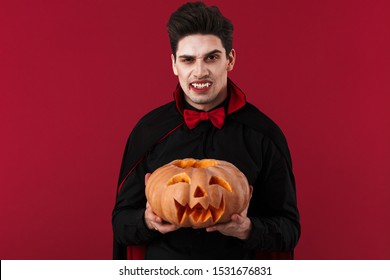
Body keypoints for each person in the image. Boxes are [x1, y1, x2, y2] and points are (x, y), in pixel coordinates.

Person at [112, 1, 300, 260]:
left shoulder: (264, 136)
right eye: (188, 60)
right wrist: (146, 221)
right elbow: (120, 225)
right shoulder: (148, 132)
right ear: (174, 65)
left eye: (211, 57)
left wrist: (248, 229)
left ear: (230, 60)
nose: (200, 71)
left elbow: (289, 230)